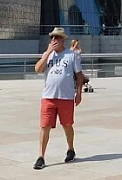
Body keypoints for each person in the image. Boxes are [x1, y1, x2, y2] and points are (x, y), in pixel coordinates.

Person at [32, 27, 83, 170]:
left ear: (63, 40)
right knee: (45, 126)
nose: (54, 40)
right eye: (52, 37)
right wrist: (48, 52)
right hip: (48, 96)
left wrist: (79, 93)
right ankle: (41, 156)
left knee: (67, 125)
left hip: (65, 97)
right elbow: (37, 69)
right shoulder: (47, 54)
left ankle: (71, 149)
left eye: (57, 37)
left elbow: (79, 75)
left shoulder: (71, 55)